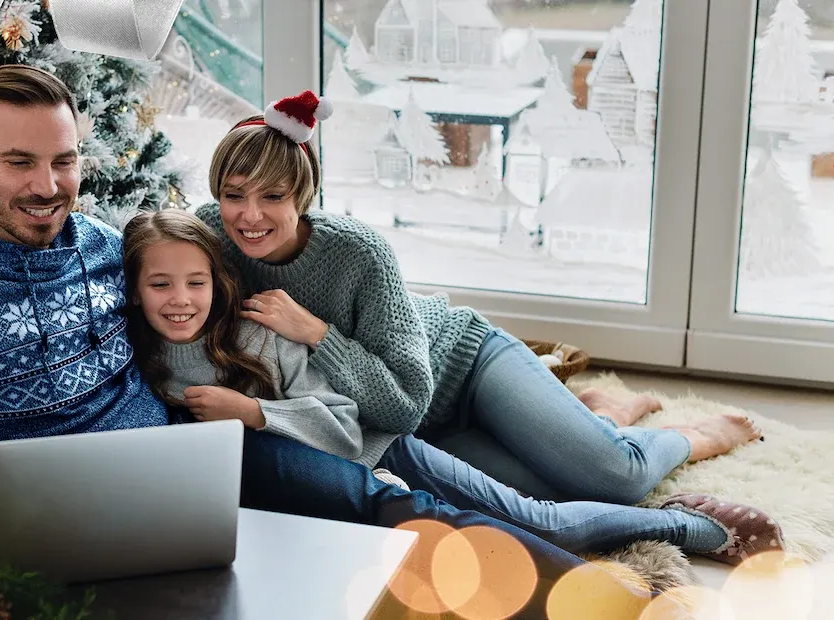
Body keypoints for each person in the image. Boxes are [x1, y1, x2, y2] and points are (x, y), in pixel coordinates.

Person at [0, 64, 684, 618]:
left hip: (193, 453)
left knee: (394, 502)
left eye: (63, 162)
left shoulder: (111, 247)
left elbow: (208, 249)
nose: (47, 186)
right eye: (21, 162)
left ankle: (607, 602)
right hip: (38, 509)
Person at [191, 91, 763, 507]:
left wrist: (315, 333)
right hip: (414, 433)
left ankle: (695, 437)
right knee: (556, 491)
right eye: (234, 195)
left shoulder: (360, 254)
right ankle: (600, 414)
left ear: (304, 193)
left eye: (272, 196)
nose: (250, 215)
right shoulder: (208, 237)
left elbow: (406, 400)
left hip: (463, 367)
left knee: (616, 479)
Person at [120, 208, 784, 565]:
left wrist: (253, 411)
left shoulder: (263, 330)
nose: (180, 298)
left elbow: (347, 421)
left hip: (404, 427)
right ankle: (602, 413)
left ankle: (683, 516)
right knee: (557, 491)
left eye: (194, 283)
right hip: (404, 445)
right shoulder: (142, 349)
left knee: (589, 491)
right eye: (160, 285)